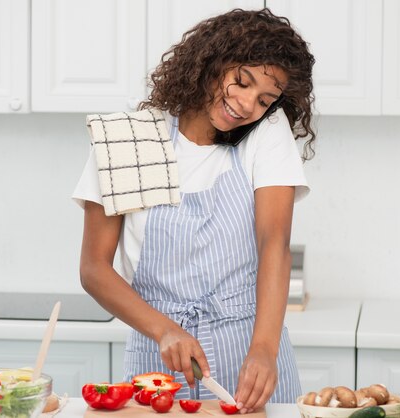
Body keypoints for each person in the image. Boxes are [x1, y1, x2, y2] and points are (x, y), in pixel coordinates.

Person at [73, 8, 316, 413]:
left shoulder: (267, 134)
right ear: (211, 62)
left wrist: (263, 349)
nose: (246, 104)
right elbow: (94, 268)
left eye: (265, 99)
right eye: (241, 81)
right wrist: (165, 329)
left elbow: (274, 241)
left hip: (250, 356)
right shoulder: (133, 136)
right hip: (158, 358)